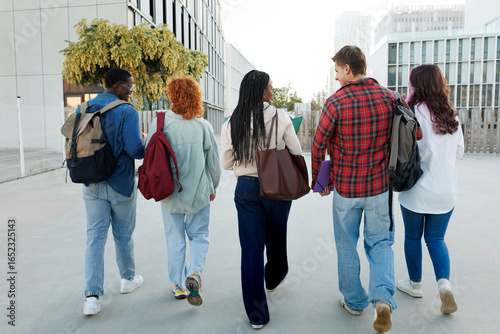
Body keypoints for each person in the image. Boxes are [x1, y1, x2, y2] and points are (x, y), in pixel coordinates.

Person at [311, 45, 401, 333]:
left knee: (346, 245)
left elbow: (317, 144)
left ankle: (354, 302)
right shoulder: (391, 97)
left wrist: (320, 181)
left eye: (337, 70)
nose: (336, 76)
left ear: (347, 68)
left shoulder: (335, 102)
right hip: (379, 187)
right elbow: (415, 133)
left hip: (346, 190)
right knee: (380, 243)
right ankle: (383, 300)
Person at [221, 70, 303, 329]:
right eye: (270, 87)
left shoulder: (231, 122)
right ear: (262, 91)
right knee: (276, 237)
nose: (272, 92)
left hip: (246, 188)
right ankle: (274, 276)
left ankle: (257, 315)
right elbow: (296, 151)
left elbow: (226, 162)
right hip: (276, 186)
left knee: (251, 249)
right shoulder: (280, 116)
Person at [144, 75, 221, 306]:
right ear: (196, 97)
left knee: (175, 239)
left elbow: (148, 154)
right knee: (199, 236)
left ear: (171, 95)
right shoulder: (203, 126)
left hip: (169, 193)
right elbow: (214, 164)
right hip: (198, 192)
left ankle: (178, 286)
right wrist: (213, 187)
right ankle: (195, 274)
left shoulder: (159, 123)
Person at [396, 64, 464, 314]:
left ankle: (414, 284)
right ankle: (444, 286)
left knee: (413, 237)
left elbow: (405, 152)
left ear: (417, 85)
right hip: (446, 190)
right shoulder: (452, 115)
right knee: (436, 238)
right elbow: (459, 152)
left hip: (417, 189)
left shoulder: (411, 112)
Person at [80, 68, 145, 316]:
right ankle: (128, 279)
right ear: (117, 87)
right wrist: (146, 141)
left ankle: (91, 297)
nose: (131, 89)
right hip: (120, 183)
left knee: (95, 237)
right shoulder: (126, 110)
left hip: (91, 183)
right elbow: (135, 150)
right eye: (129, 85)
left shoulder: (84, 108)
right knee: (123, 235)